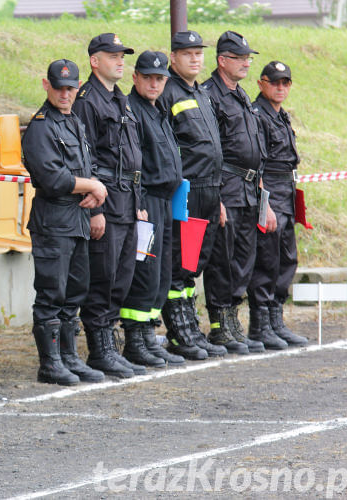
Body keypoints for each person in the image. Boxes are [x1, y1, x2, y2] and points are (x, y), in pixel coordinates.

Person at [22, 59, 107, 386]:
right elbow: (53, 178)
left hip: (77, 218)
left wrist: (95, 193)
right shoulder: (42, 126)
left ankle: (70, 357)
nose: (65, 94)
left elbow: (89, 164)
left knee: (75, 292)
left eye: (71, 89)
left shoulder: (74, 122)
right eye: (60, 87)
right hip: (54, 219)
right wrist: (92, 187)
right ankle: (51, 363)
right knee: (51, 293)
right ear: (47, 85)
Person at [72, 33, 145, 377]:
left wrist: (139, 202)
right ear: (94, 60)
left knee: (122, 276)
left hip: (128, 200)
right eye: (113, 55)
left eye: (122, 55)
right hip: (105, 201)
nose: (120, 61)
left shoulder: (120, 99)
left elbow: (132, 156)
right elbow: (83, 158)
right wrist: (95, 211)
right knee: (103, 276)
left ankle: (109, 344)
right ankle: (100, 349)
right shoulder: (87, 100)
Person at [202, 31, 276, 354]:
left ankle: (232, 318)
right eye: (240, 57)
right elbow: (212, 152)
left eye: (248, 57)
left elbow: (254, 148)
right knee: (223, 258)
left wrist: (262, 193)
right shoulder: (210, 95)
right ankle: (220, 324)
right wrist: (215, 197)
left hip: (248, 188)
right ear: (222, 61)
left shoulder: (241, 94)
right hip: (226, 187)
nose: (247, 62)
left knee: (244, 258)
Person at [158, 31, 228, 359]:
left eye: (199, 53)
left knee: (193, 263)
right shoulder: (168, 92)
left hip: (210, 190)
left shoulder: (200, 92)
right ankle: (179, 332)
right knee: (179, 262)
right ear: (173, 58)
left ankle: (190, 326)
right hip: (187, 190)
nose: (195, 59)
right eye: (187, 54)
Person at [121, 51, 193, 365]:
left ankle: (149, 335)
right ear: (135, 77)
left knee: (161, 274)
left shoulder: (157, 108)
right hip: (146, 202)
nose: (154, 83)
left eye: (160, 78)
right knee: (144, 272)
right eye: (148, 77)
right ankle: (135, 342)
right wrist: (137, 204)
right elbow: (132, 164)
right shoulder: (132, 110)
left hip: (164, 202)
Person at [247, 61, 308, 347]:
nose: (280, 88)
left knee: (286, 258)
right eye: (275, 82)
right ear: (262, 83)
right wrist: (265, 202)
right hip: (269, 189)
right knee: (267, 259)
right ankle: (260, 325)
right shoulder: (257, 115)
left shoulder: (281, 115)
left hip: (285, 189)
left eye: (285, 83)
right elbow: (257, 163)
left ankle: (276, 319)